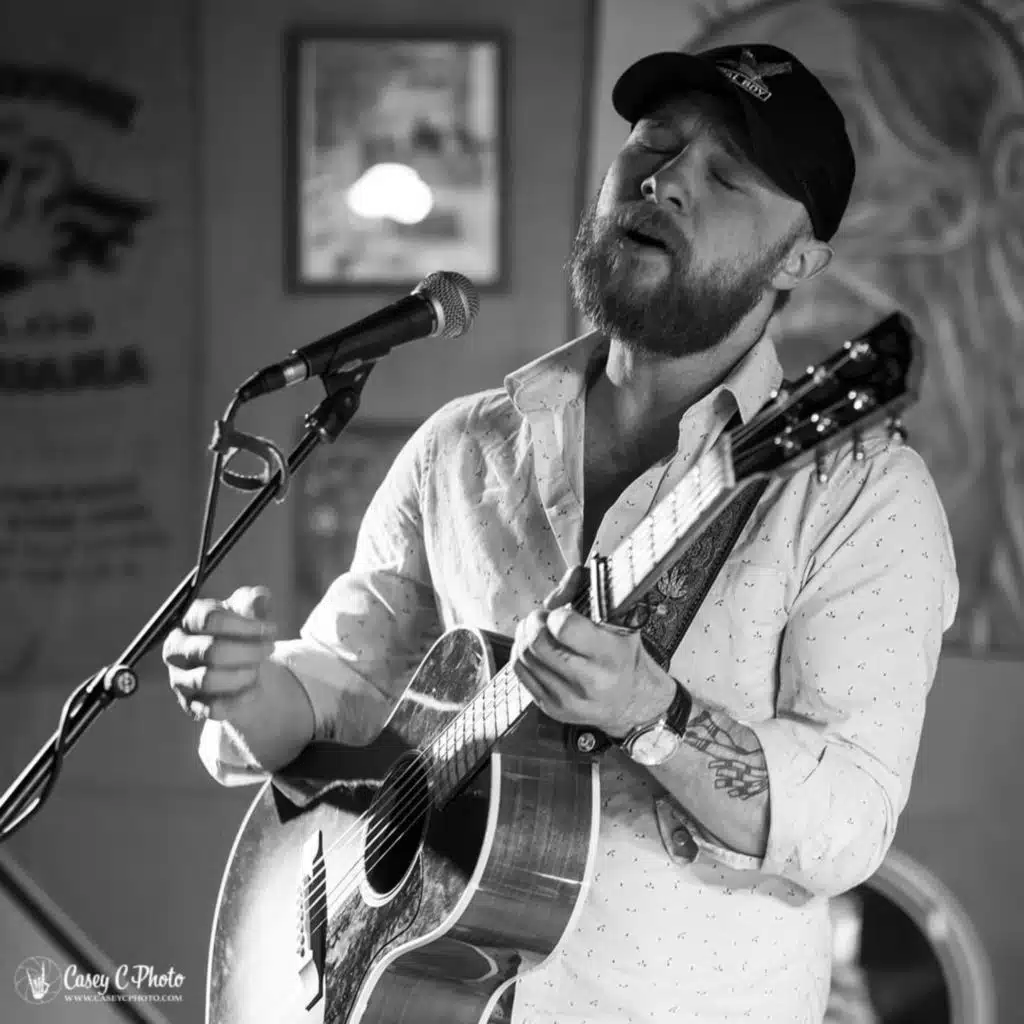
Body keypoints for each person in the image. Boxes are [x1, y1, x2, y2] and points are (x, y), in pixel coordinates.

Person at [162, 42, 959, 1024]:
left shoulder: (857, 491)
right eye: (653, 143)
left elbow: (847, 820)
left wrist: (655, 715)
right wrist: (248, 690)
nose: (665, 181)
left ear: (798, 260)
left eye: (726, 177)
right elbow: (343, 698)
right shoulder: (462, 448)